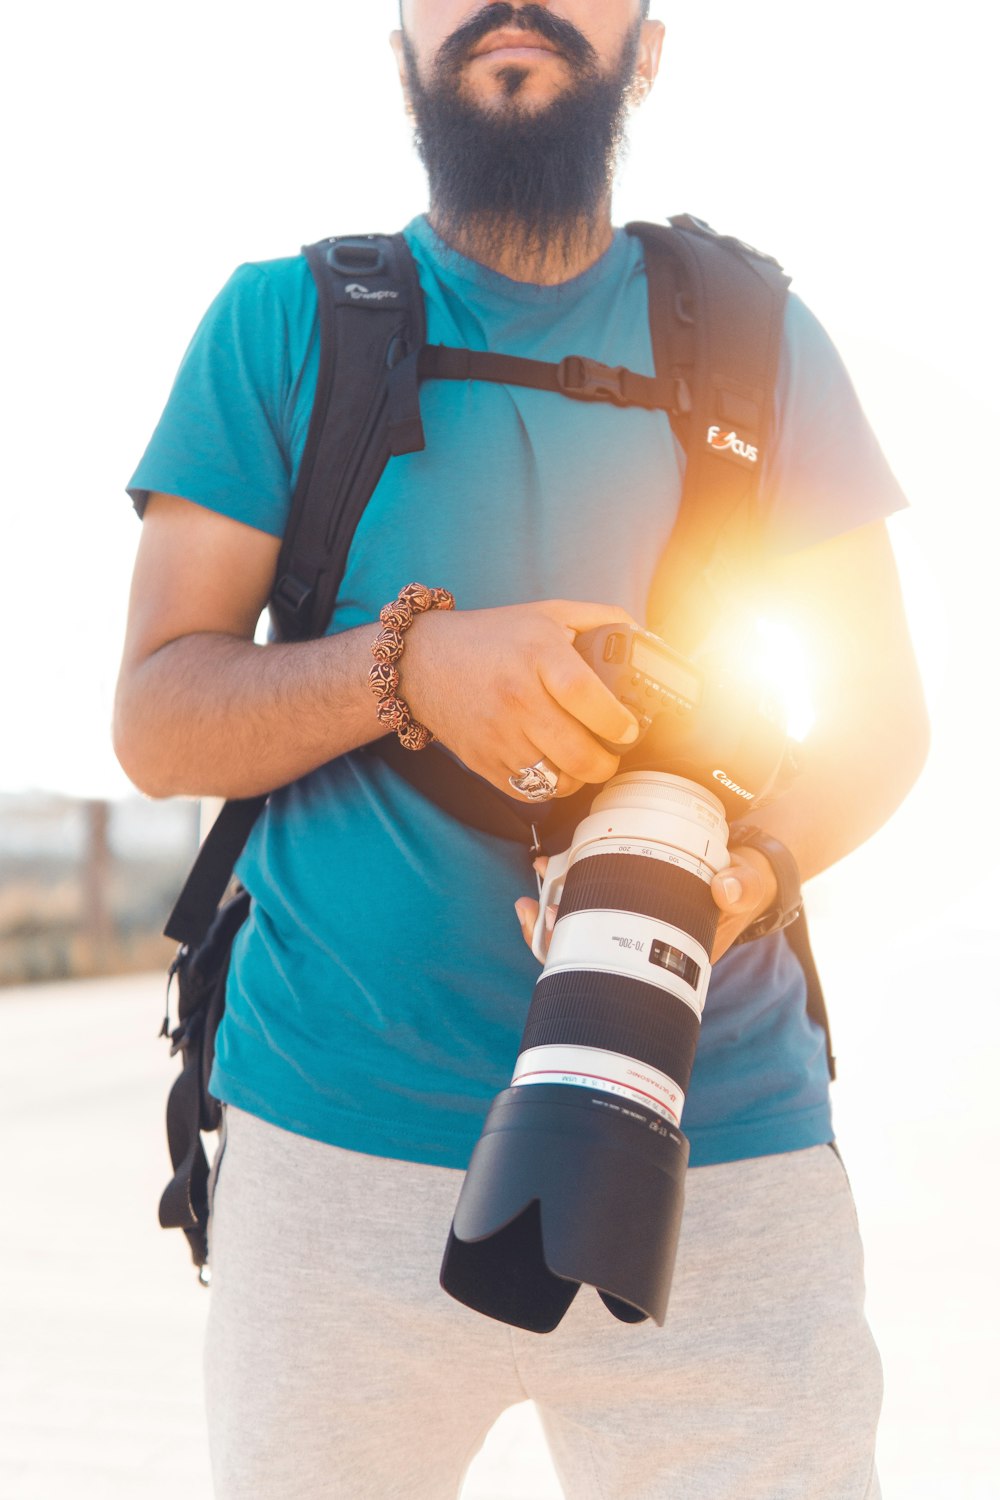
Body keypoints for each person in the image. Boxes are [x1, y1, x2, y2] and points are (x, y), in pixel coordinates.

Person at [115, 3, 928, 1496]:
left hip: (722, 1146)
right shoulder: (281, 324)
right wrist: (409, 667)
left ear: (651, 44)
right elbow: (162, 717)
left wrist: (721, 889)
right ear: (402, 44)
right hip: (337, 1149)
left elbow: (880, 722)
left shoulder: (762, 340)